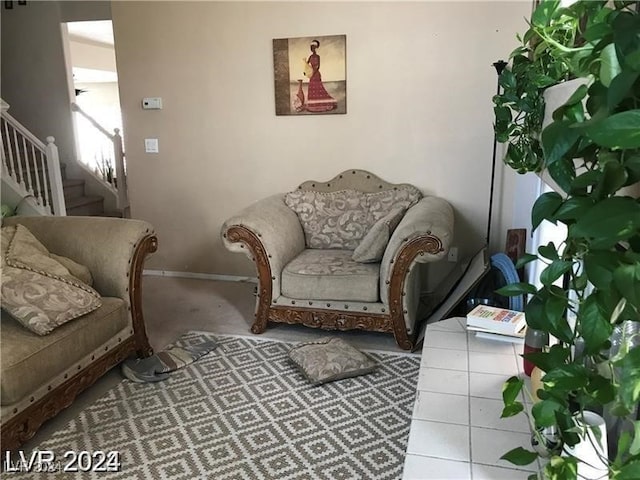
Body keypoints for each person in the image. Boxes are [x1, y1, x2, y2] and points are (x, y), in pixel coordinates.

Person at [304, 40, 337, 112]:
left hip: (316, 74)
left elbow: (318, 66)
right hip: (312, 74)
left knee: (319, 88)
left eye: (313, 48)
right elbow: (306, 65)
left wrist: (313, 72)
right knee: (312, 88)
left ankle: (323, 103)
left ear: (316, 48)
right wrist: (306, 71)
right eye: (311, 48)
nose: (312, 50)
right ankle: (312, 105)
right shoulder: (310, 56)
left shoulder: (318, 56)